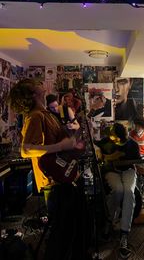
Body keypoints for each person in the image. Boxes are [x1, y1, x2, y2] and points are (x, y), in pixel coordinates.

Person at [8, 78, 92, 260]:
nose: (41, 85)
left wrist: (73, 135)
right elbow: (26, 149)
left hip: (63, 179)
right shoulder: (35, 116)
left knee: (70, 229)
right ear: (32, 94)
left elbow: (61, 141)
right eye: (36, 85)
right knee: (62, 233)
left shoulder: (44, 114)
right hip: (55, 183)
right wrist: (61, 147)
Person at [95, 122, 141, 259]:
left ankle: (124, 233)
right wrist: (100, 153)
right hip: (111, 171)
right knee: (118, 190)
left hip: (128, 170)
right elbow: (95, 144)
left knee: (129, 192)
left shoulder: (132, 144)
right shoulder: (107, 140)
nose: (114, 140)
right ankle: (109, 221)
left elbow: (136, 161)